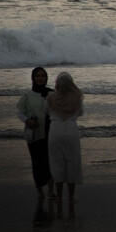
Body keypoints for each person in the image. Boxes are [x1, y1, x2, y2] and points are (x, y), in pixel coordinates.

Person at [16, 67, 55, 201]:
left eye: (43, 76)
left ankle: (50, 191)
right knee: (37, 163)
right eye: (38, 76)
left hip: (51, 134)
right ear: (33, 78)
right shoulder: (27, 96)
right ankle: (40, 192)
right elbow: (19, 112)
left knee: (50, 163)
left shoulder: (52, 94)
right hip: (34, 134)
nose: (40, 78)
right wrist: (27, 120)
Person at [46, 72, 84, 207]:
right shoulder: (77, 98)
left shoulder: (51, 98)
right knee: (72, 163)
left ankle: (59, 196)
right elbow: (80, 113)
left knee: (57, 163)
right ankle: (71, 197)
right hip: (71, 129)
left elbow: (47, 111)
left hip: (55, 130)